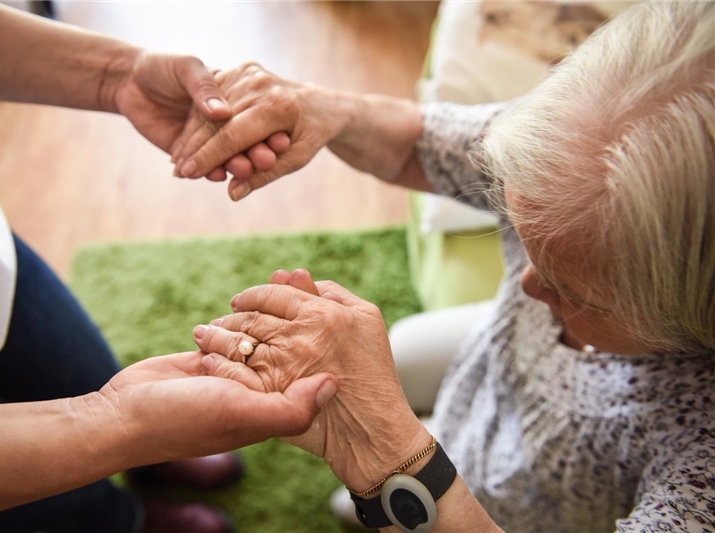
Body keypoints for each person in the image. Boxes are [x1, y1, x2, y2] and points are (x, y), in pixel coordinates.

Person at [183, 2, 715, 531]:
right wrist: (322, 109)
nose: (525, 283)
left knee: (359, 500)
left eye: (575, 290)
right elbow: (420, 143)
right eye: (518, 231)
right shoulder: (582, 141)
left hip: (523, 511)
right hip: (491, 377)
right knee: (407, 346)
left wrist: (391, 462)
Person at [0, 2, 317, 532]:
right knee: (57, 509)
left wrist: (119, 75)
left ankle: (149, 460)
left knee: (83, 370)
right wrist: (118, 424)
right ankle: (125, 517)